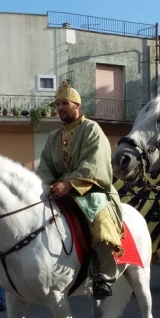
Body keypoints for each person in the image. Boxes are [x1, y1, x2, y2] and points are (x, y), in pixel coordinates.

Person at [36, 82, 124, 300]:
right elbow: (45, 166)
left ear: (76, 105)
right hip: (58, 190)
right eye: (57, 104)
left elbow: (94, 163)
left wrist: (69, 184)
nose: (60, 108)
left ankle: (103, 276)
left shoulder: (91, 129)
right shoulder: (53, 136)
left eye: (64, 103)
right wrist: (46, 185)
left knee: (101, 223)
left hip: (90, 190)